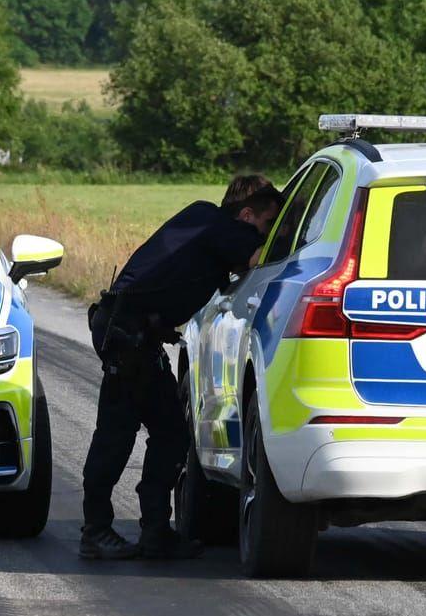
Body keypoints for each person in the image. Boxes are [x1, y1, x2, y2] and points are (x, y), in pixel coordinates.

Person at [79, 173, 283, 561]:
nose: (266, 233)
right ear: (245, 215)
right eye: (267, 224)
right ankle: (96, 530)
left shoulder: (205, 219)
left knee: (171, 432)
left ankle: (155, 531)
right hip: (128, 335)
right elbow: (260, 258)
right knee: (116, 433)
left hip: (136, 334)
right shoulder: (221, 228)